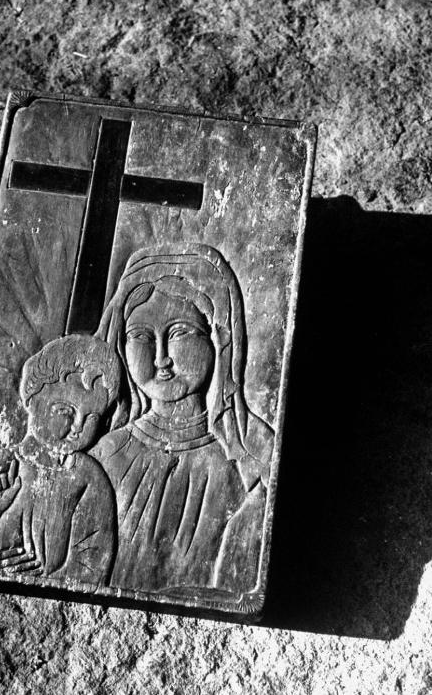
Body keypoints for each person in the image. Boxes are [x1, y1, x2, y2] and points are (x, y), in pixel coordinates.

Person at [92, 243, 275, 600]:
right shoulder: (106, 456)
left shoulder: (250, 459)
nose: (160, 358)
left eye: (179, 333)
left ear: (218, 339)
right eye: (141, 337)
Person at [0, 334, 120, 585]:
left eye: (92, 418)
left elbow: (93, 561)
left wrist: (44, 581)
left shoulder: (88, 479)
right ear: (32, 398)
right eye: (64, 411)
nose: (78, 426)